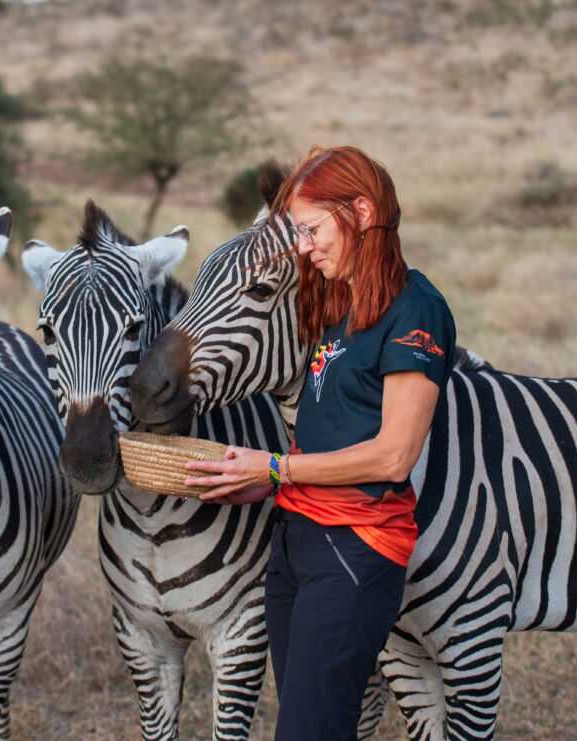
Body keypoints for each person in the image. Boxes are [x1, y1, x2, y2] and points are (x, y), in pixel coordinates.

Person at [185, 145, 456, 740]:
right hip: (295, 545)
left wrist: (276, 467)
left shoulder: (416, 309)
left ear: (360, 211)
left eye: (311, 229)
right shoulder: (334, 302)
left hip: (356, 550)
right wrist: (257, 479)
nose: (305, 247)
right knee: (317, 723)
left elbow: (393, 455)